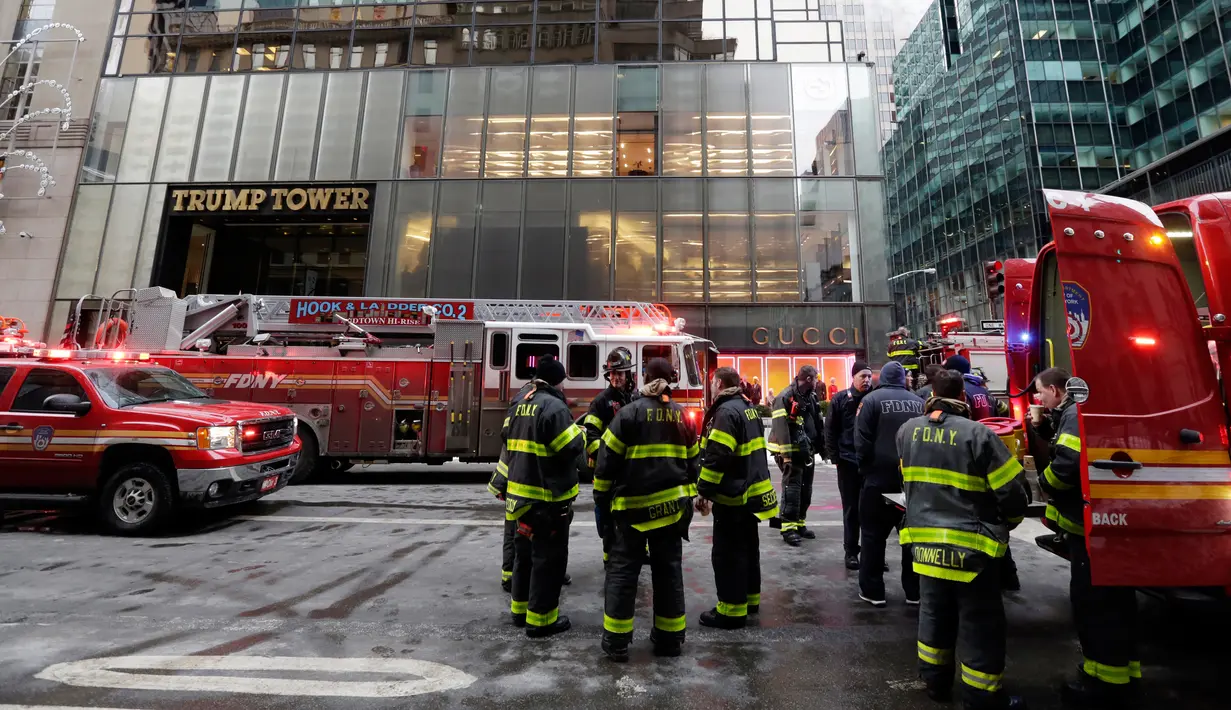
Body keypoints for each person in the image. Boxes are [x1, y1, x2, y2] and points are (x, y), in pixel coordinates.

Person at [898, 369, 1028, 709]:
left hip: (924, 547)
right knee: (979, 622)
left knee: (934, 614)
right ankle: (981, 695)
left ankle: (935, 682)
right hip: (972, 550)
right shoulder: (978, 435)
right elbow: (1013, 494)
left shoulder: (907, 432)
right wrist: (1008, 523)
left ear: (930, 394)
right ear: (965, 397)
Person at [1032, 368, 1139, 707]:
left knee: (1095, 605)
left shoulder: (1073, 415)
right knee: (1117, 603)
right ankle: (1121, 673)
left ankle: (1104, 685)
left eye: (1040, 393)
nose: (1038, 399)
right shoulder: (1074, 412)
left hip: (1088, 529)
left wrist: (1043, 484)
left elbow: (1066, 465)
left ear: (1055, 390)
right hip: (1102, 525)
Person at [595, 357, 700, 662]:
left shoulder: (628, 414)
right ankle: (670, 639)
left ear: (645, 378)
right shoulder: (683, 417)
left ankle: (616, 641)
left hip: (631, 513)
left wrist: (603, 503)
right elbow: (694, 463)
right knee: (668, 571)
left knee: (623, 572)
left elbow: (605, 465)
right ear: (671, 379)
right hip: (671, 512)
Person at [489, 357, 585, 638]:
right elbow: (568, 449)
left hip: (519, 499)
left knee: (524, 557)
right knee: (548, 560)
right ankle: (541, 621)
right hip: (547, 499)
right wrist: (581, 435)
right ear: (557, 381)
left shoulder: (519, 404)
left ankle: (519, 612)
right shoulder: (555, 407)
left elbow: (508, 444)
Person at [696, 367, 778, 630]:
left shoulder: (726, 412)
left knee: (728, 555)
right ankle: (750, 600)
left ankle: (731, 611)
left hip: (733, 496)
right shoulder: (748, 407)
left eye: (711, 383)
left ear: (719, 383)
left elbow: (718, 455)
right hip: (750, 493)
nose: (710, 387)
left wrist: (704, 491)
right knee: (748, 549)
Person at [944, 355, 1019, 592]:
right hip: (991, 459)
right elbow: (1002, 413)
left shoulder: (957, 391)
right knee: (993, 519)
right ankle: (1008, 575)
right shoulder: (984, 391)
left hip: (966, 460)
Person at [854, 362, 923, 606]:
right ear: (904, 378)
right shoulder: (919, 402)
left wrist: (864, 469)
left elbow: (861, 439)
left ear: (881, 378)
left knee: (873, 536)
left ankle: (873, 592)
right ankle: (914, 591)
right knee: (911, 538)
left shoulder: (871, 401)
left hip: (878, 478)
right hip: (911, 482)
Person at [584, 347, 636, 567]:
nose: (615, 378)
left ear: (628, 375)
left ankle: (637, 551)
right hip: (607, 470)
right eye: (612, 374)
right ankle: (609, 557)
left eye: (620, 374)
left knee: (632, 510)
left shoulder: (635, 398)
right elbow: (591, 437)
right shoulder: (601, 402)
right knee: (606, 514)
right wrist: (606, 459)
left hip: (630, 470)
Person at [825, 361, 874, 570]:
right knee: (852, 509)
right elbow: (830, 430)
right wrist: (835, 458)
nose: (867, 380)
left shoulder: (874, 399)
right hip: (847, 461)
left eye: (869, 377)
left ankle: (872, 555)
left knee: (872, 511)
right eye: (863, 376)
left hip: (871, 463)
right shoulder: (840, 399)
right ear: (853, 377)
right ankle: (851, 551)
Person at [768, 365, 822, 546]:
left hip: (806, 450)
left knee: (806, 489)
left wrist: (822, 448)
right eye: (815, 378)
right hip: (790, 451)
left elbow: (816, 422)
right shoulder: (785, 397)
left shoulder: (810, 397)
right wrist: (787, 455)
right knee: (793, 488)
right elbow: (781, 427)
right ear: (808, 379)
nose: (817, 382)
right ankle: (788, 527)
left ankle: (799, 523)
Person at [944, 355, 1010, 421]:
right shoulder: (982, 389)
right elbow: (1004, 409)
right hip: (988, 430)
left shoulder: (957, 390)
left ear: (952, 372)